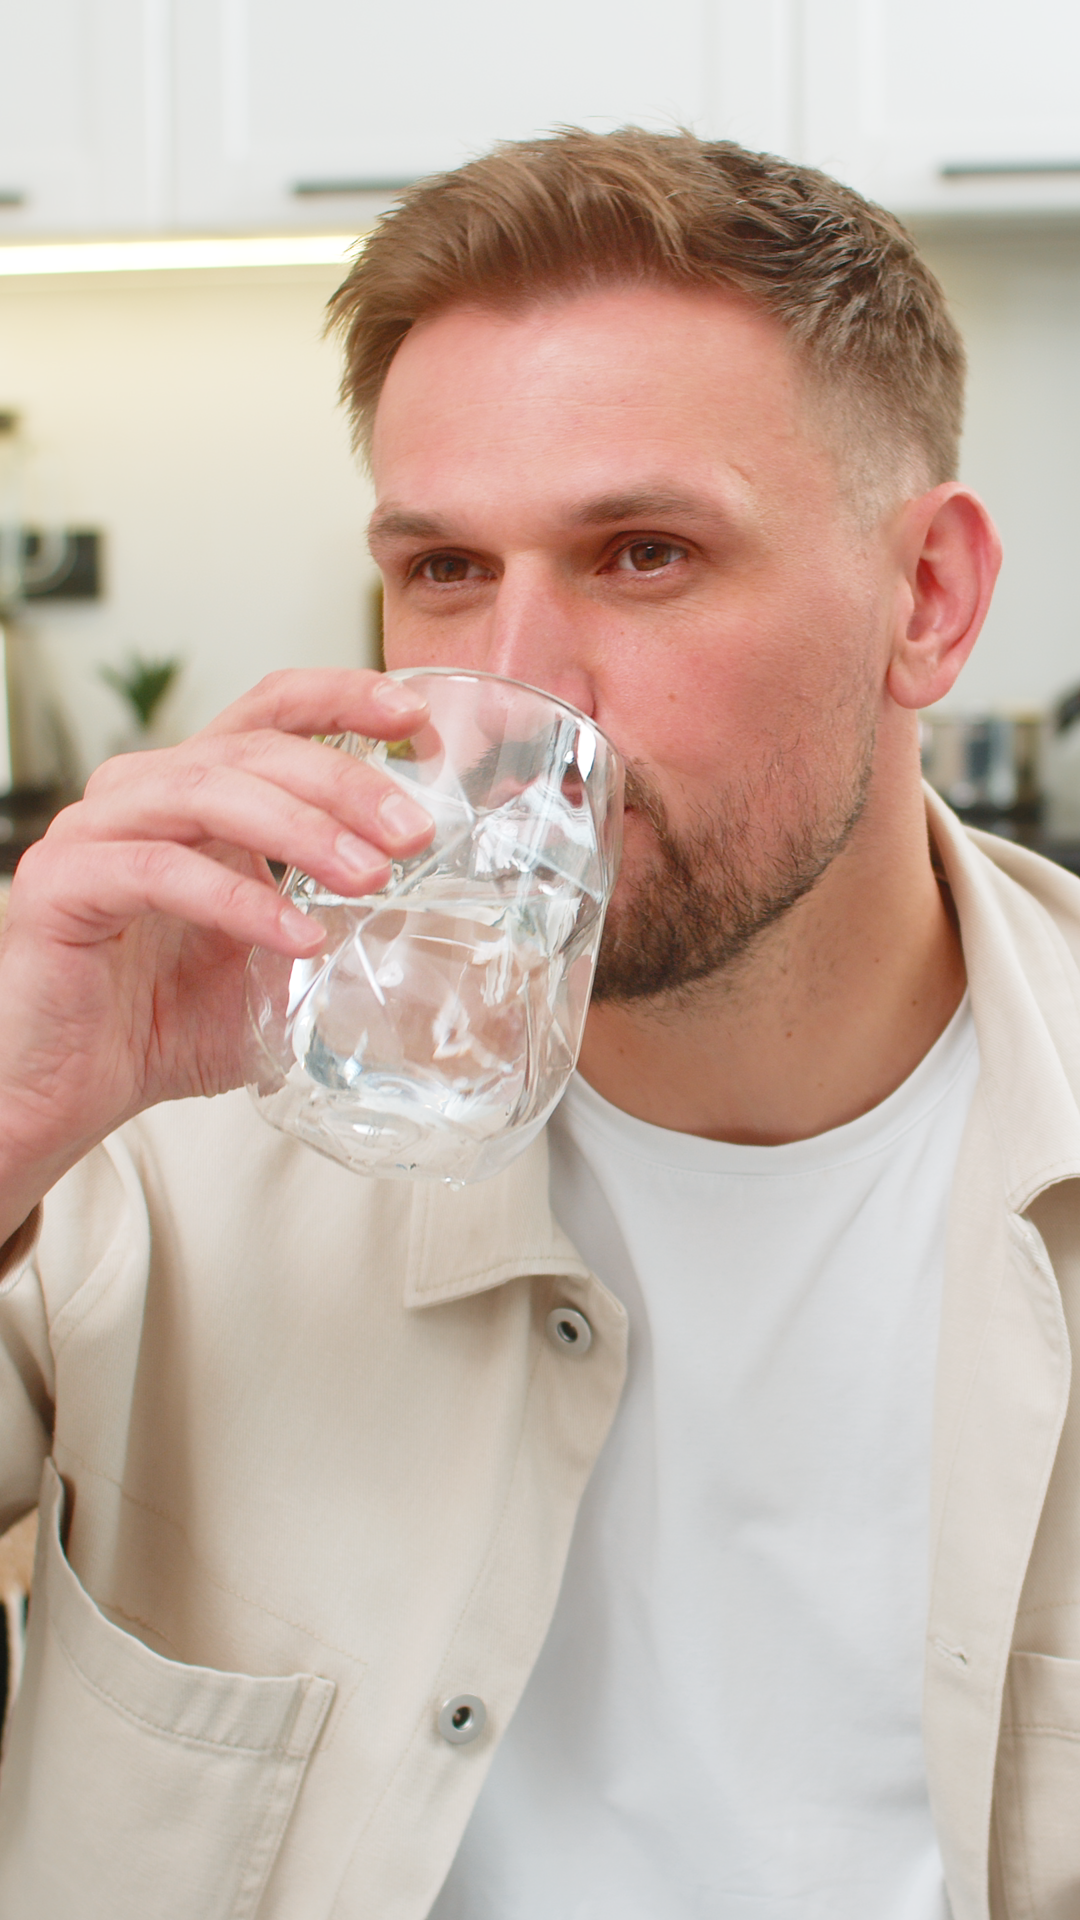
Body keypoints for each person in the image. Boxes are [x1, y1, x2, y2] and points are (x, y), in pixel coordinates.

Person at [0, 126, 1074, 1920]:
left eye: (644, 554)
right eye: (443, 569)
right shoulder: (168, 1115)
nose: (509, 689)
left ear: (929, 600)